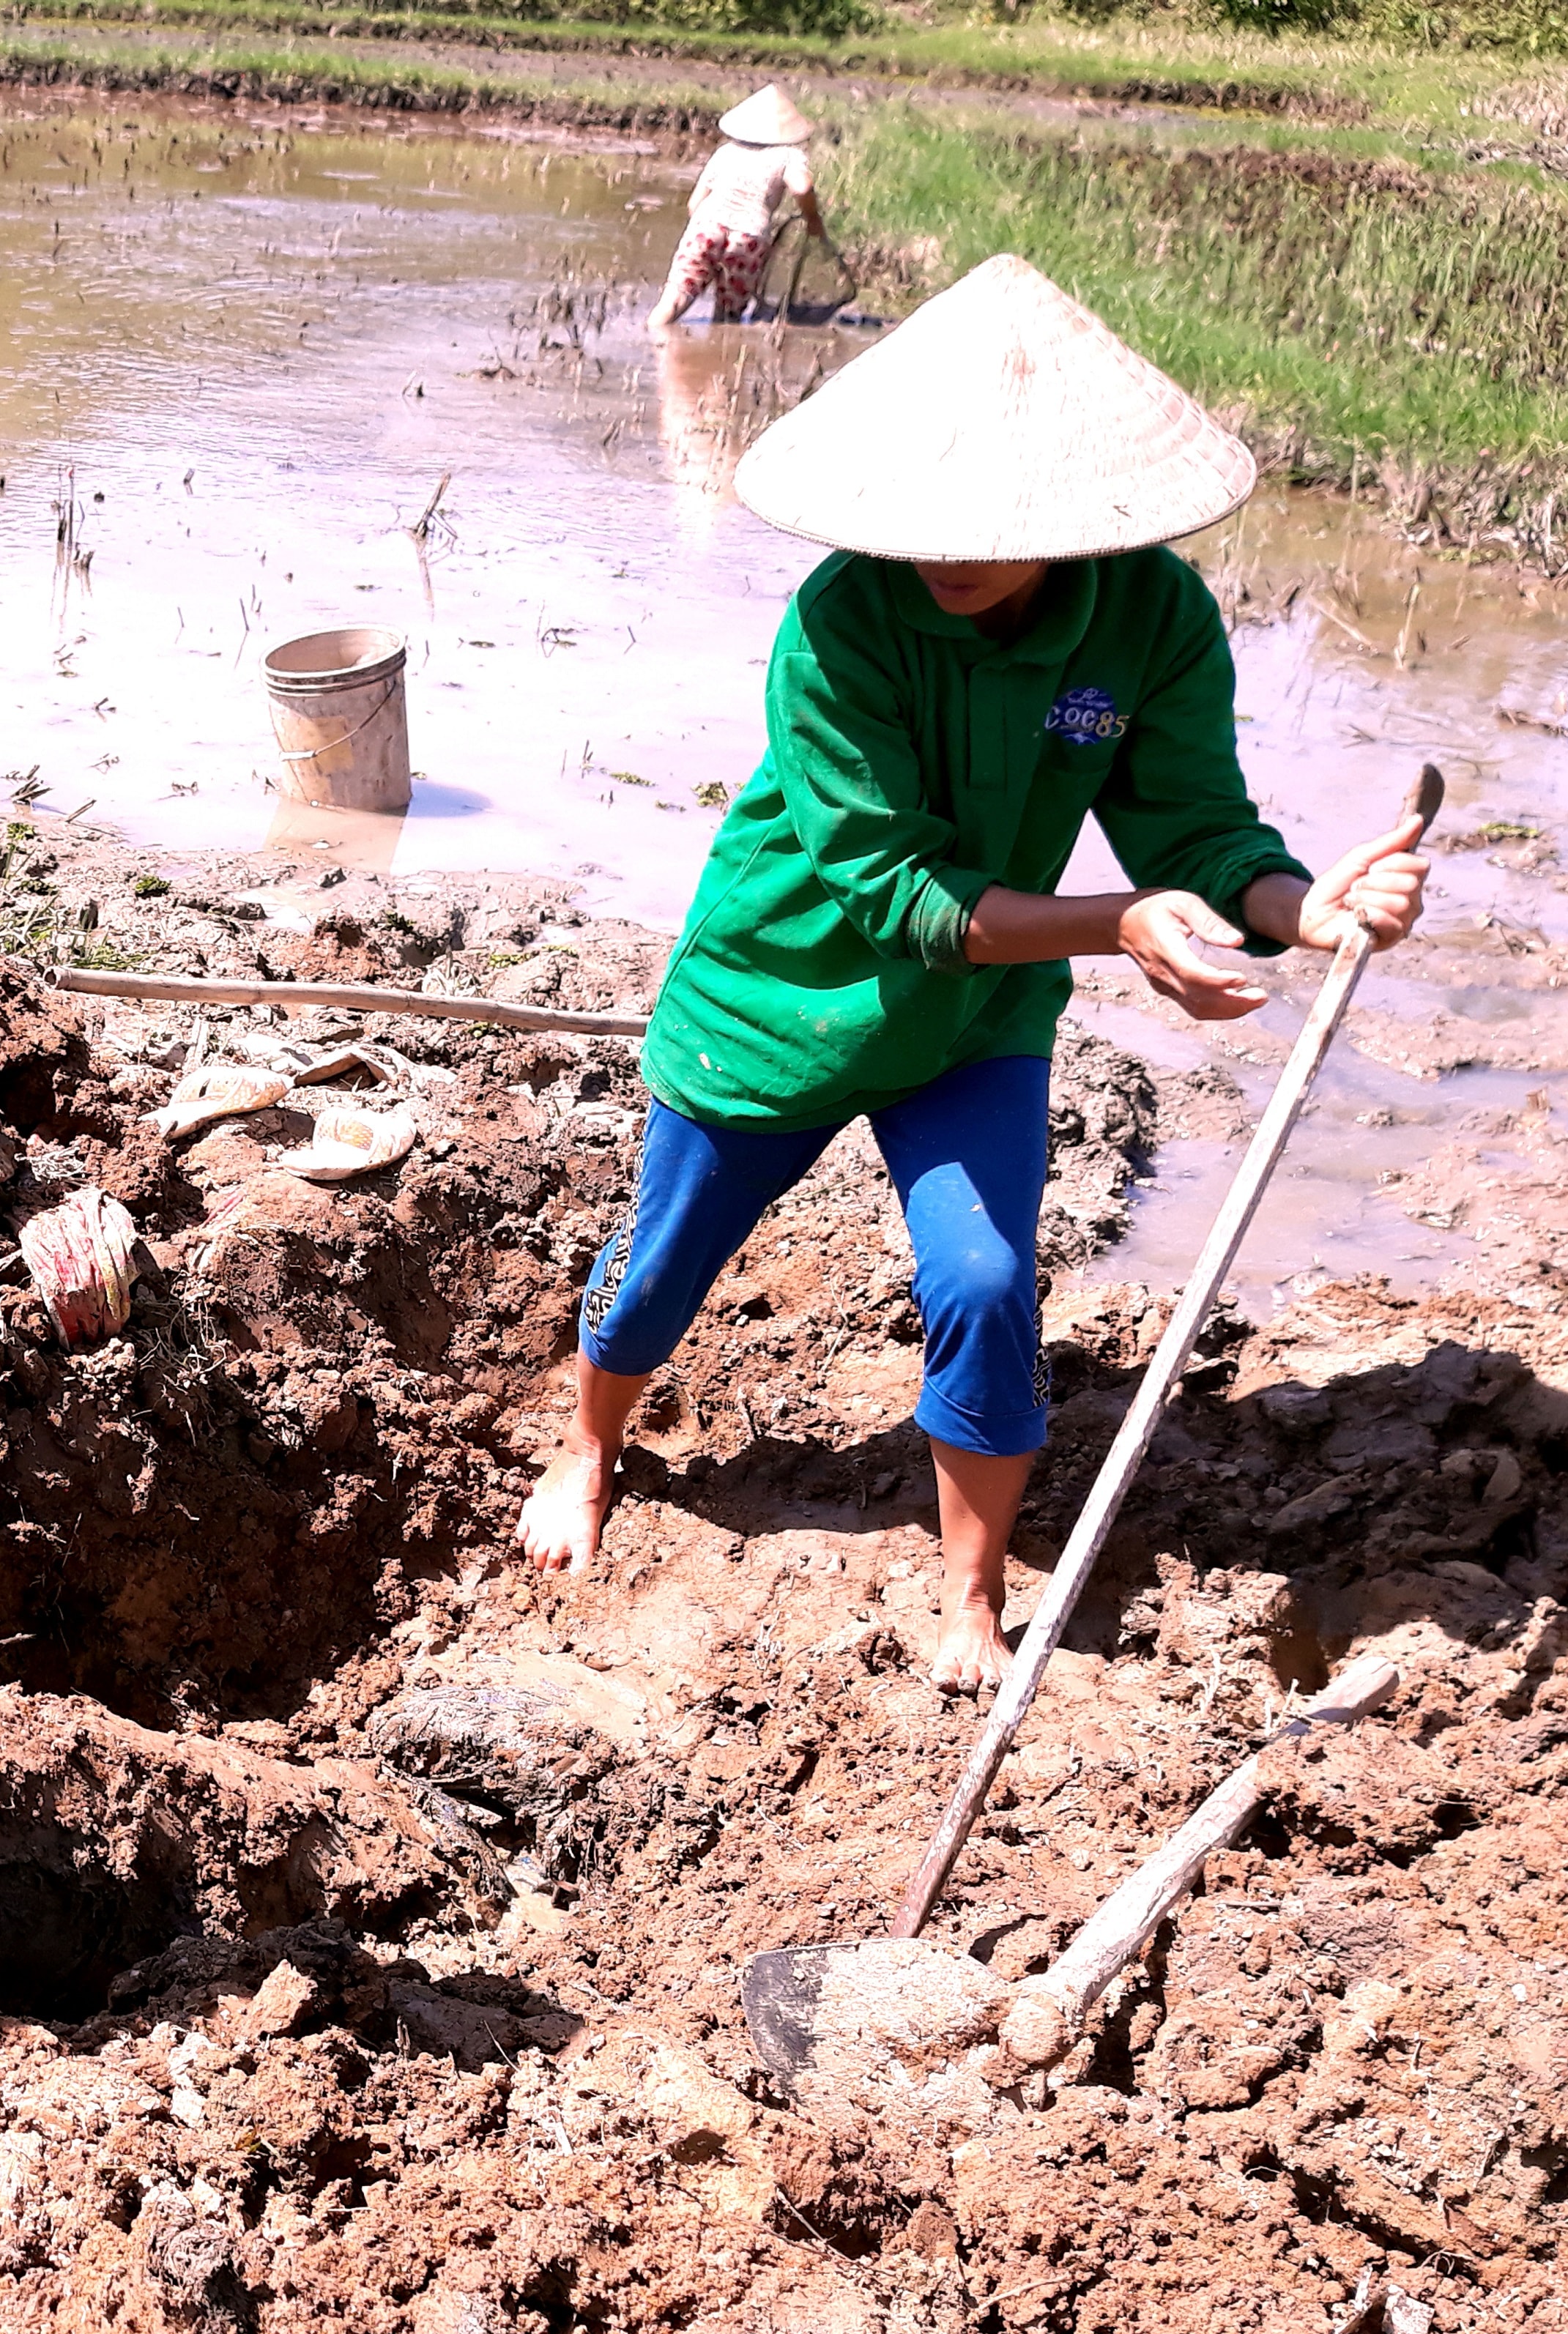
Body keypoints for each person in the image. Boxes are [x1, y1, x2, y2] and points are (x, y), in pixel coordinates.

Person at [521, 254, 1432, 1688]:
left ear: (1070, 520)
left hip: (975, 1017)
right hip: (777, 995)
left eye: (984, 528)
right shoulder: (843, 625)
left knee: (991, 1279)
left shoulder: (1147, 624)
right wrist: (1120, 925)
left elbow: (1194, 830)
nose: (943, 553)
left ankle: (971, 1600)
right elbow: (895, 892)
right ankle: (587, 1449)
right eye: (919, 521)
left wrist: (1304, 907)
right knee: (660, 1273)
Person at [648, 85, 824, 330]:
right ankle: (721, 362)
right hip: (748, 237)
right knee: (728, 316)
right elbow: (803, 188)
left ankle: (655, 353)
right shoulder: (788, 155)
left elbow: (694, 204)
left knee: (673, 301)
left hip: (706, 226)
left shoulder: (726, 152)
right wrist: (813, 219)